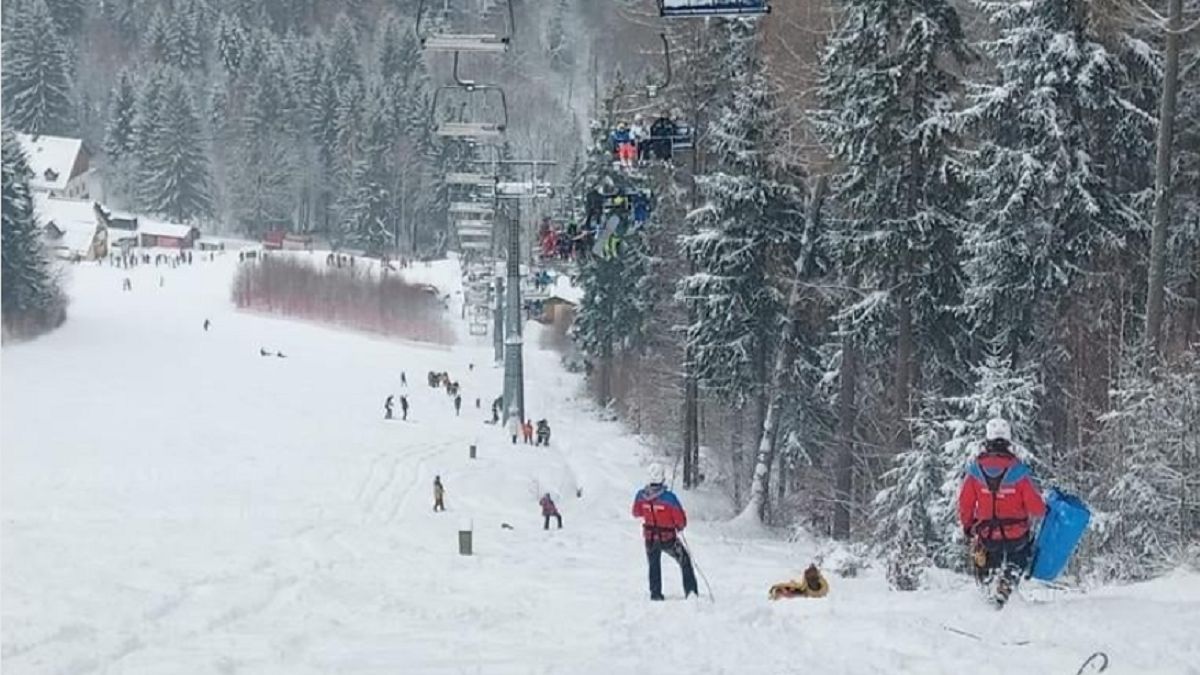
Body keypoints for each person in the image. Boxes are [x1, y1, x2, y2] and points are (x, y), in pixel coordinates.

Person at [957, 417, 1047, 607]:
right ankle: (1009, 578)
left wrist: (967, 527)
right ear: (1008, 440)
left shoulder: (975, 471)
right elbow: (1037, 509)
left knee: (985, 560)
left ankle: (988, 585)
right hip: (1017, 535)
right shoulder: (1019, 471)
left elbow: (965, 505)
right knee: (1021, 555)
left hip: (987, 535)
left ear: (987, 440)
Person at [632, 464, 698, 600]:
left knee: (653, 565)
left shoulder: (641, 495)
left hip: (650, 538)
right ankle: (691, 593)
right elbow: (680, 520)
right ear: (662, 478)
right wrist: (679, 526)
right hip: (668, 539)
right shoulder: (669, 498)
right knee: (684, 561)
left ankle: (655, 594)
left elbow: (636, 512)